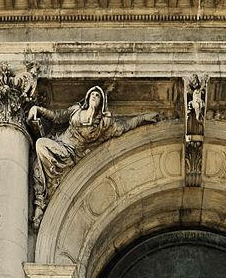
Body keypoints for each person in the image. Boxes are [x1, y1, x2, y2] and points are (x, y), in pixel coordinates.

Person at [28, 86, 159, 228]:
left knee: (41, 151)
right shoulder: (76, 110)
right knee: (39, 152)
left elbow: (125, 125)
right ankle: (41, 201)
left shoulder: (103, 124)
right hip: (59, 144)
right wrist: (38, 109)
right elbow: (58, 116)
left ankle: (44, 197)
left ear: (101, 102)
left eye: (98, 96)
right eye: (93, 94)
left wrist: (143, 118)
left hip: (72, 155)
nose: (94, 97)